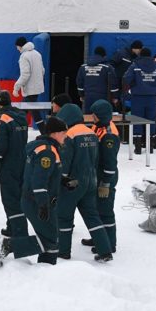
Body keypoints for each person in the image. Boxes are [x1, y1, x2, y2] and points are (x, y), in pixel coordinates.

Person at [0, 116, 68, 266]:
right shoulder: (47, 152)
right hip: (37, 201)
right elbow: (38, 181)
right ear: (54, 133)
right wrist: (43, 205)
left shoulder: (43, 148)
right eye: (64, 132)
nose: (66, 136)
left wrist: (63, 181)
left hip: (37, 199)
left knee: (50, 239)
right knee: (49, 240)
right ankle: (9, 246)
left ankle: (46, 268)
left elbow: (44, 175)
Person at [54, 104, 113, 261]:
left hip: (72, 183)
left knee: (64, 216)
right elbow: (96, 159)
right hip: (91, 181)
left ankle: (63, 251)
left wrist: (61, 179)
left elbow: (65, 162)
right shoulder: (92, 133)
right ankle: (105, 250)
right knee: (92, 215)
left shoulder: (70, 135)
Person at [0, 92, 31, 251]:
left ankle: (20, 236)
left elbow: (0, 146)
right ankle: (12, 227)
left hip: (8, 165)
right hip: (22, 161)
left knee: (10, 199)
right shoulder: (20, 117)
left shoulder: (2, 119)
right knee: (18, 195)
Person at [82, 100, 120, 252]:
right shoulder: (99, 126)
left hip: (106, 178)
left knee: (105, 211)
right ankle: (99, 238)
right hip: (97, 175)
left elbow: (110, 163)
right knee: (97, 209)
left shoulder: (109, 136)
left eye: (94, 114)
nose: (92, 117)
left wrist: (105, 184)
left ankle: (109, 244)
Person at [123, 48, 156, 154]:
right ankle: (150, 146)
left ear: (140, 55)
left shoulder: (135, 65)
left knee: (137, 120)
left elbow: (126, 78)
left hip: (137, 98)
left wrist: (131, 88)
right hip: (152, 98)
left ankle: (137, 147)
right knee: (151, 121)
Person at [13, 37, 46, 127]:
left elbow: (25, 74)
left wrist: (16, 88)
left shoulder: (24, 56)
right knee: (32, 111)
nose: (17, 49)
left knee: (23, 113)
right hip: (37, 88)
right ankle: (44, 132)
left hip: (29, 89)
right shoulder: (37, 54)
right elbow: (42, 70)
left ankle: (17, 130)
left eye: (17, 47)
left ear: (20, 46)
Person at [77, 46, 118, 113]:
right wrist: (115, 97)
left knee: (89, 117)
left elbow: (79, 83)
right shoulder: (107, 67)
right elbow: (113, 83)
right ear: (104, 56)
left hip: (88, 97)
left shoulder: (83, 67)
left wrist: (81, 95)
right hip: (103, 97)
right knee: (102, 117)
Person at [110, 40, 143, 111]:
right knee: (116, 103)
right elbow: (111, 64)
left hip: (127, 85)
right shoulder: (121, 54)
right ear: (134, 48)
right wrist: (115, 76)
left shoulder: (136, 58)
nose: (140, 51)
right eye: (139, 49)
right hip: (117, 83)